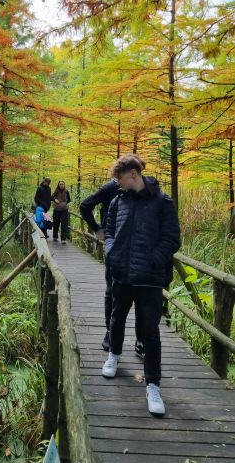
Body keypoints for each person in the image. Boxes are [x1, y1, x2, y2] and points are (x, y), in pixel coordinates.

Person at [101, 154, 180, 417]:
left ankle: (153, 385)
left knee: (150, 332)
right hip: (121, 274)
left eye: (119, 178)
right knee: (116, 318)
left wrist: (153, 261)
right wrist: (111, 252)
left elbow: (172, 239)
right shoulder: (117, 201)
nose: (117, 183)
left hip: (149, 280)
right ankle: (113, 354)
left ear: (133, 174)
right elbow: (109, 231)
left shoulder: (162, 203)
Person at [80, 156, 146, 357]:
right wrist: (98, 230)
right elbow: (85, 205)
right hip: (114, 247)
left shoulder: (144, 191)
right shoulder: (110, 189)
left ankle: (141, 339)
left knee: (141, 294)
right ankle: (110, 332)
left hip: (138, 250)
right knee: (112, 290)